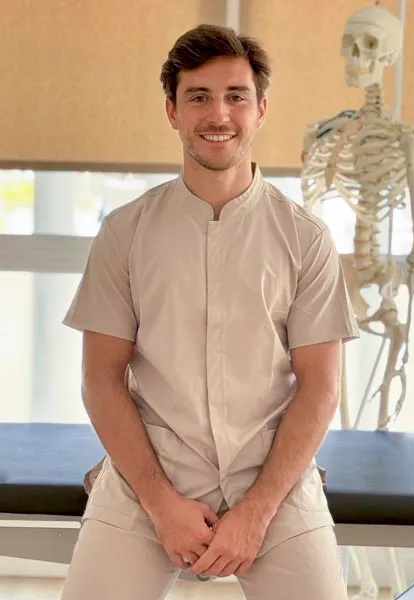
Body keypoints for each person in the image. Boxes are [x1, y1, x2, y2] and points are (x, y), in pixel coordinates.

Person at [61, 23, 359, 600]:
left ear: (260, 109)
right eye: (198, 97)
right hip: (150, 479)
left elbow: (320, 387)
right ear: (172, 112)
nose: (218, 114)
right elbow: (101, 379)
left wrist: (257, 510)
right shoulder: (125, 233)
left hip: (273, 482)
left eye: (235, 97)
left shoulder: (306, 238)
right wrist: (160, 503)